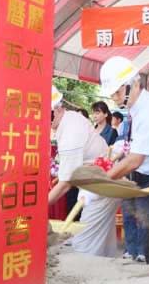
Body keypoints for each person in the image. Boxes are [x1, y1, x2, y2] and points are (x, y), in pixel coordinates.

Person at [100, 56, 149, 267]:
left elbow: (135, 159)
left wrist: (100, 182)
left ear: (134, 84)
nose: (115, 98)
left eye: (117, 92)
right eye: (112, 93)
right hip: (144, 179)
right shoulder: (135, 108)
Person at [48, 86, 120, 257]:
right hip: (97, 181)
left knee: (84, 244)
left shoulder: (71, 130)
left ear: (57, 109)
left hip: (99, 186)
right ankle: (105, 274)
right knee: (102, 242)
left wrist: (39, 208)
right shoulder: (69, 120)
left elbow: (66, 184)